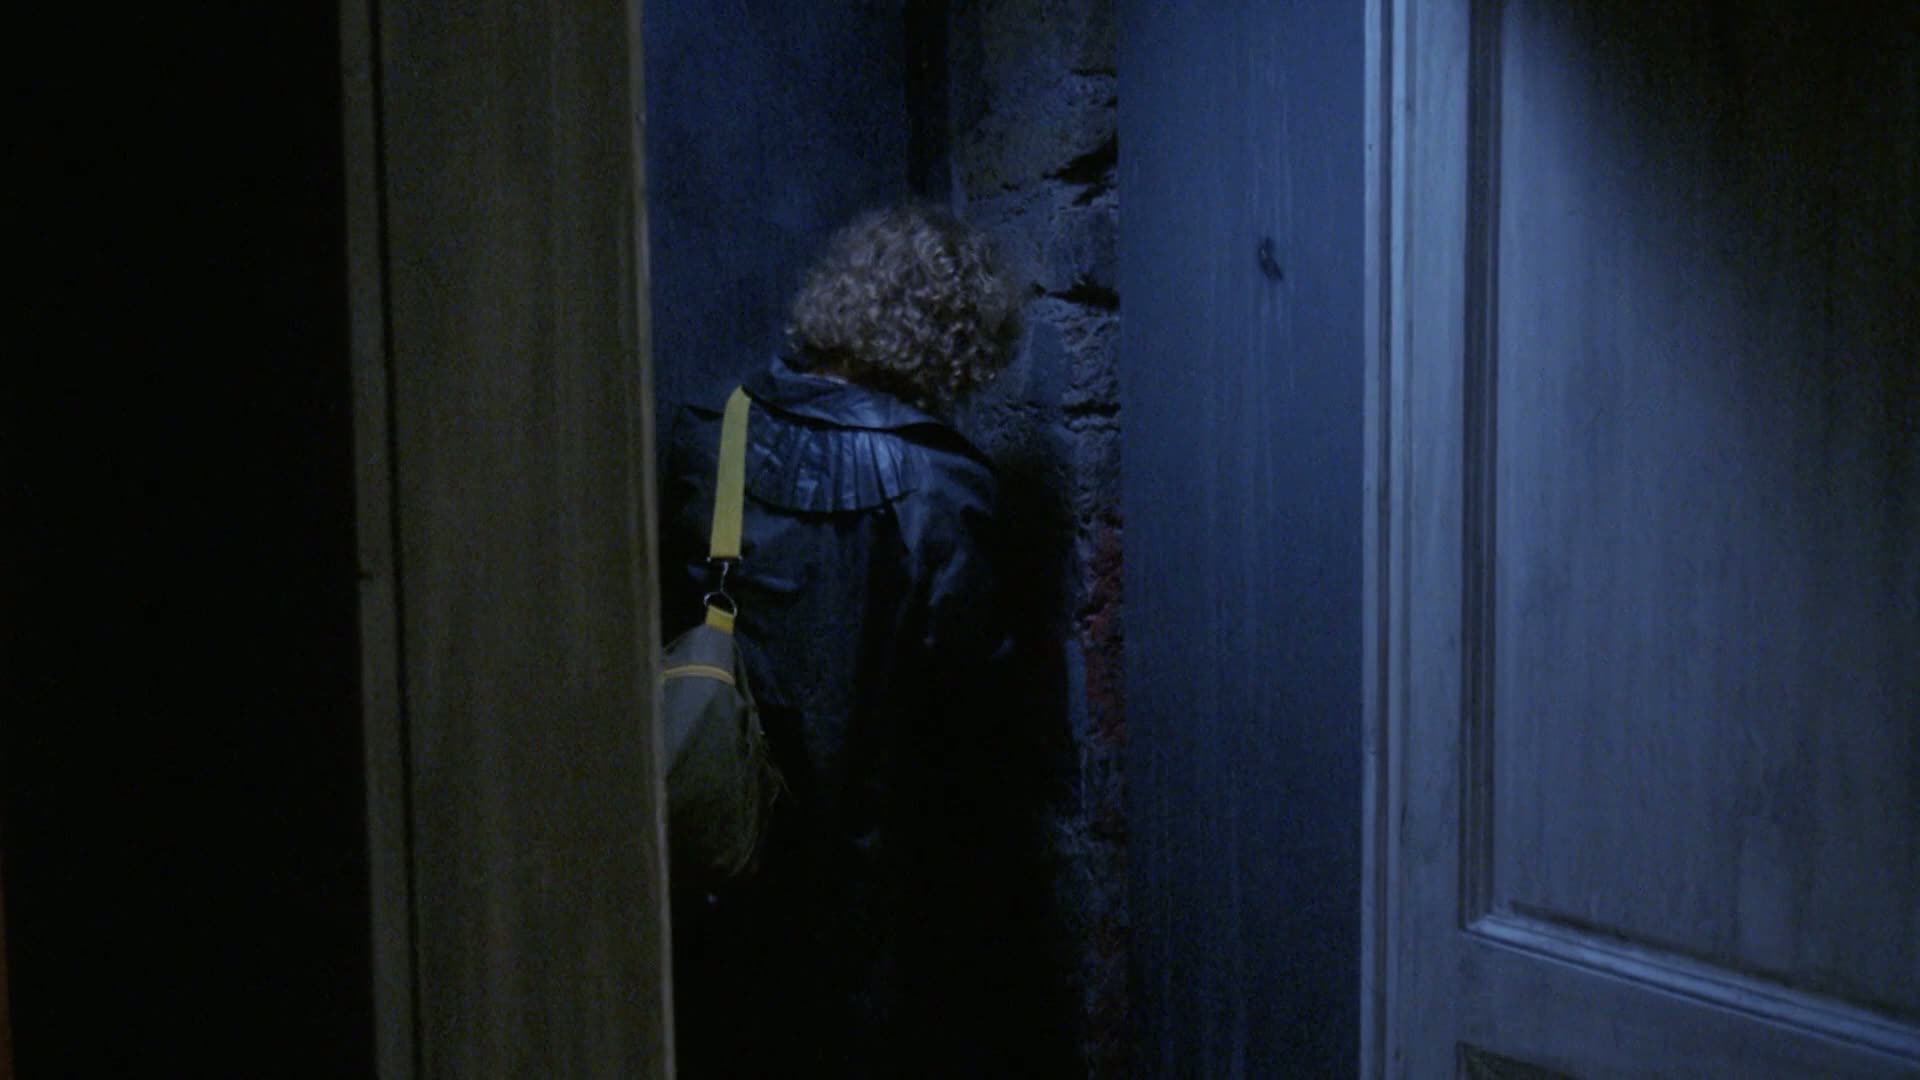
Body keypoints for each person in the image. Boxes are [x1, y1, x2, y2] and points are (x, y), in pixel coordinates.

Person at [658, 202, 1021, 1077]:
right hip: (879, 891)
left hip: (715, 858)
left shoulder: (711, 431)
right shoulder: (949, 484)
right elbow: (973, 717)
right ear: (953, 339)